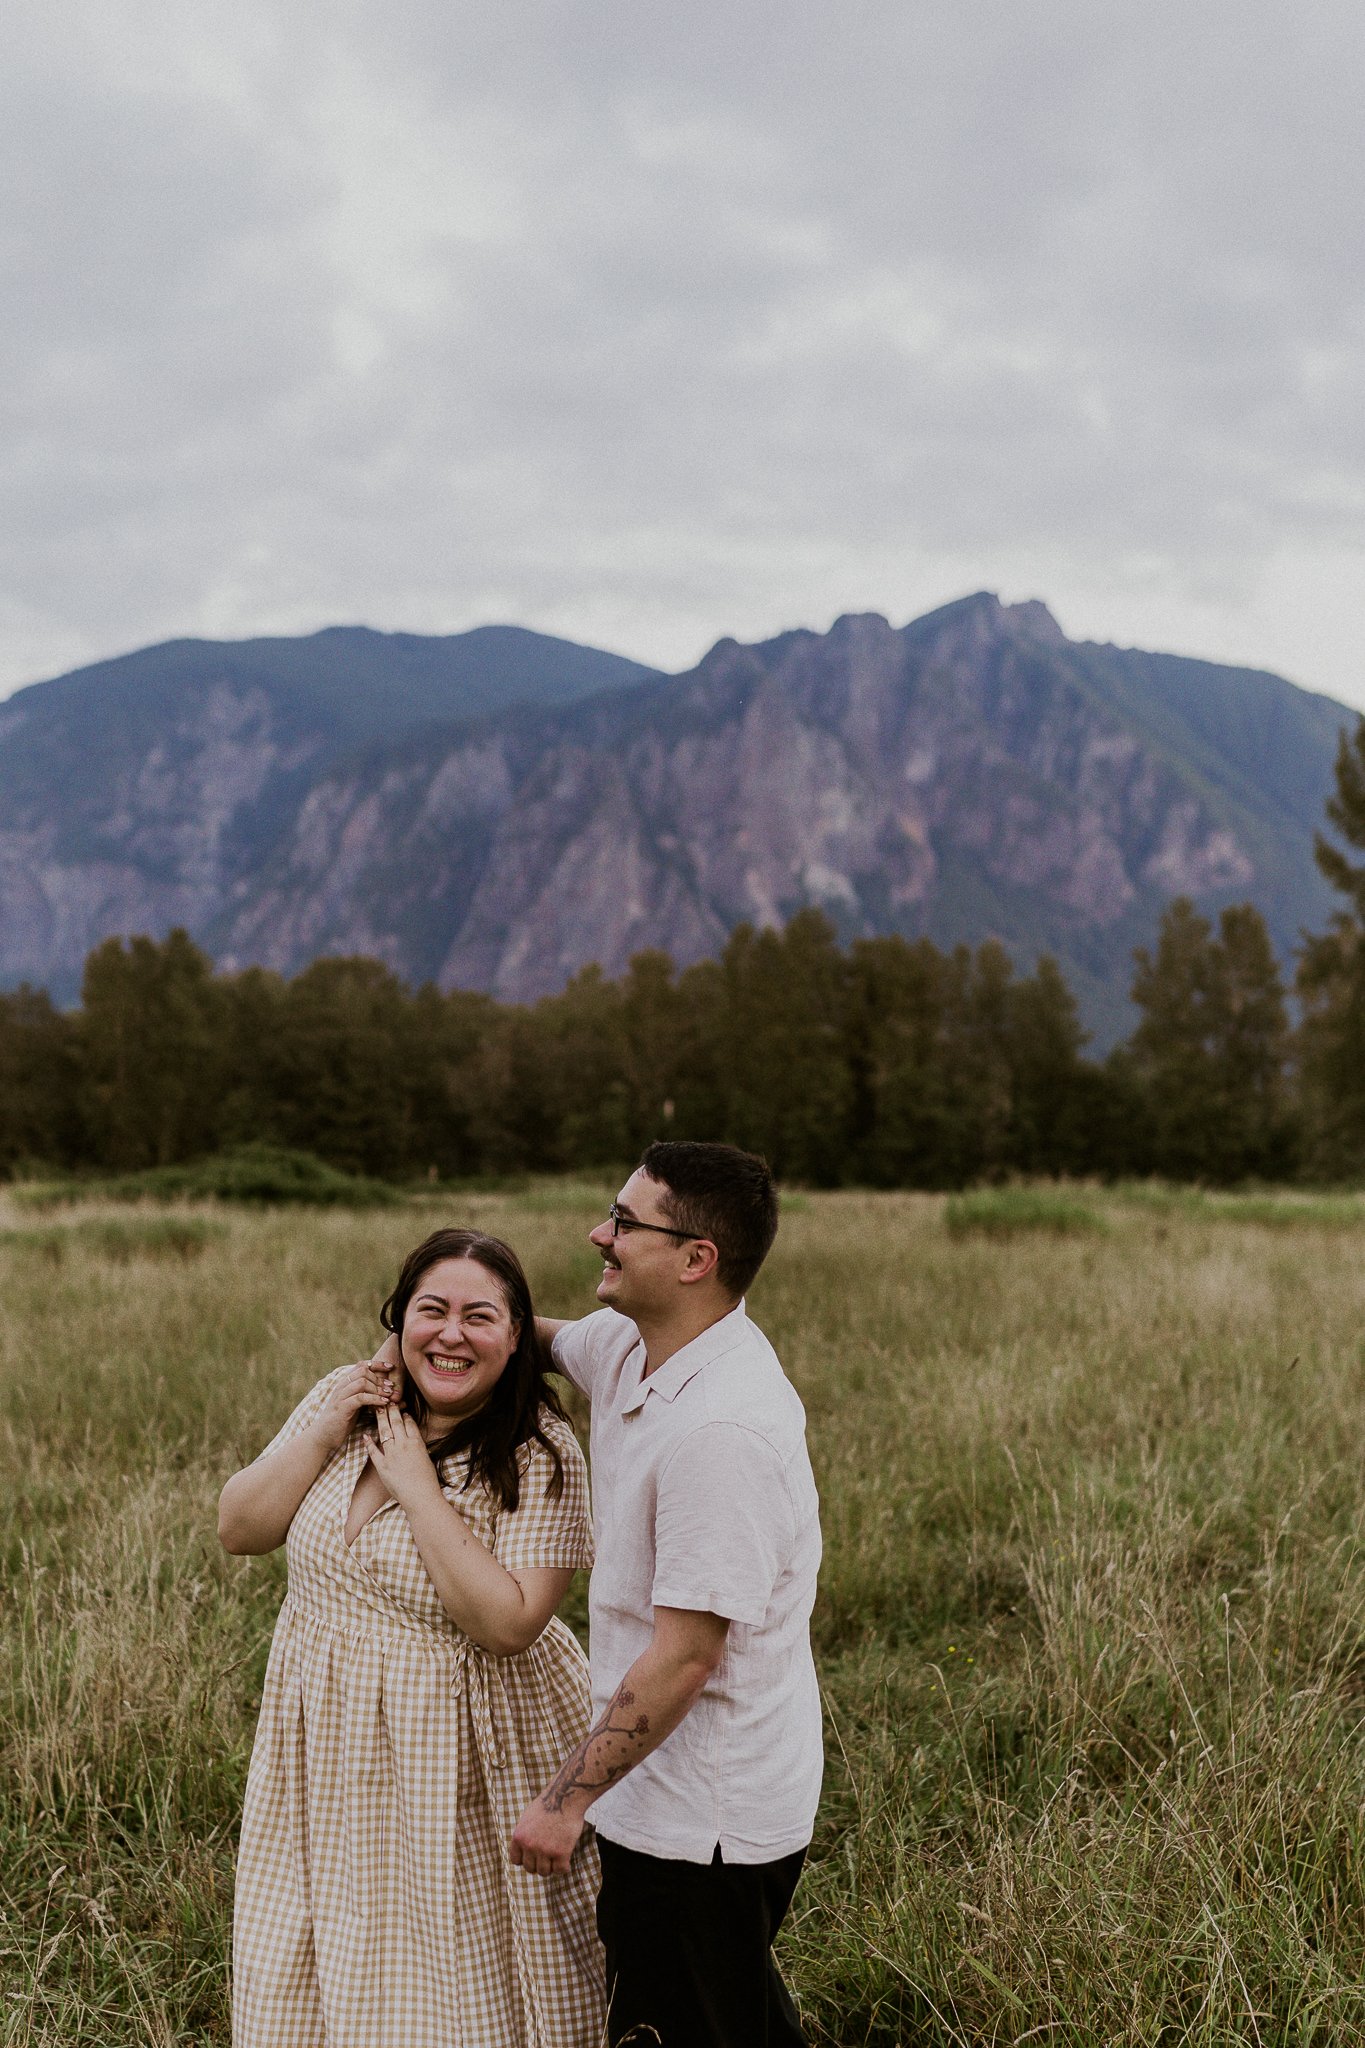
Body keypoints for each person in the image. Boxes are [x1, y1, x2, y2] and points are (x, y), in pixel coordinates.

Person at [219, 1227, 605, 2048]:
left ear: (516, 1336)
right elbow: (241, 1527)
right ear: (397, 1324)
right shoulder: (347, 1397)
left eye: (480, 1317)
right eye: (430, 1311)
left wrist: (417, 1487)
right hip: (323, 1735)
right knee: (316, 1939)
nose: (451, 1335)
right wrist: (329, 1427)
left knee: (450, 1967)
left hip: (461, 1748)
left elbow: (507, 1624)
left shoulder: (540, 1453)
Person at [511, 1140, 823, 2048]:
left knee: (676, 2026)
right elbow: (541, 1340)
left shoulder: (724, 1430)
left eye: (623, 1223)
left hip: (705, 1820)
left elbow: (687, 1655)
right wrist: (438, 1327)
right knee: (731, 2017)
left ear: (696, 1260)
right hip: (658, 1795)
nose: (596, 1234)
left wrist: (564, 1802)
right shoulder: (630, 1345)